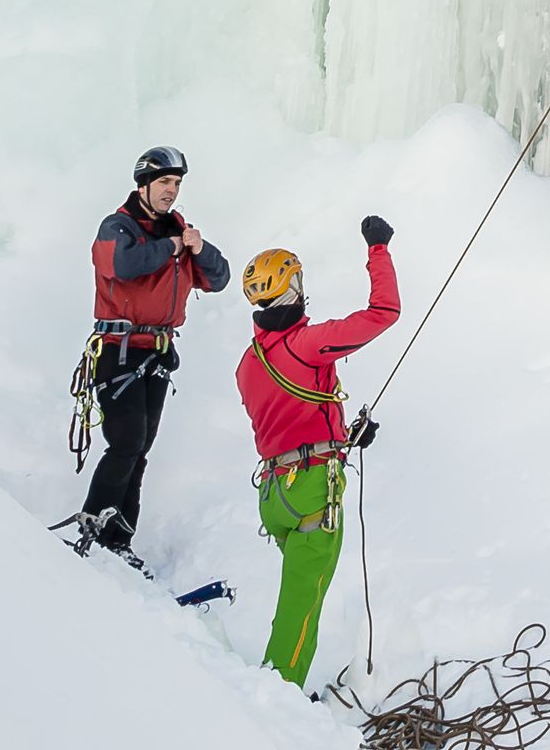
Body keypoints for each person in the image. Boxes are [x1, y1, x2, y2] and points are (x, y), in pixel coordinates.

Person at [238, 217, 402, 690]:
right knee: (301, 606)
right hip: (312, 488)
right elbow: (384, 312)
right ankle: (277, 696)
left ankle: (276, 685)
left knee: (297, 598)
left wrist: (343, 438)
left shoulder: (248, 364)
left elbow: (287, 425)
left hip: (274, 494)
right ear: (292, 290)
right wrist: (378, 249)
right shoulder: (307, 344)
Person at [71, 146, 225, 564]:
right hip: (117, 350)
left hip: (156, 352)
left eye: (176, 183)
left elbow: (219, 278)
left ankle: (118, 540)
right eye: (164, 182)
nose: (171, 191)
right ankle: (92, 526)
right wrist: (172, 247)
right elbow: (122, 265)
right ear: (143, 185)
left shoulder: (179, 232)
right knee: (127, 443)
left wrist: (198, 248)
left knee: (139, 449)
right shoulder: (117, 227)